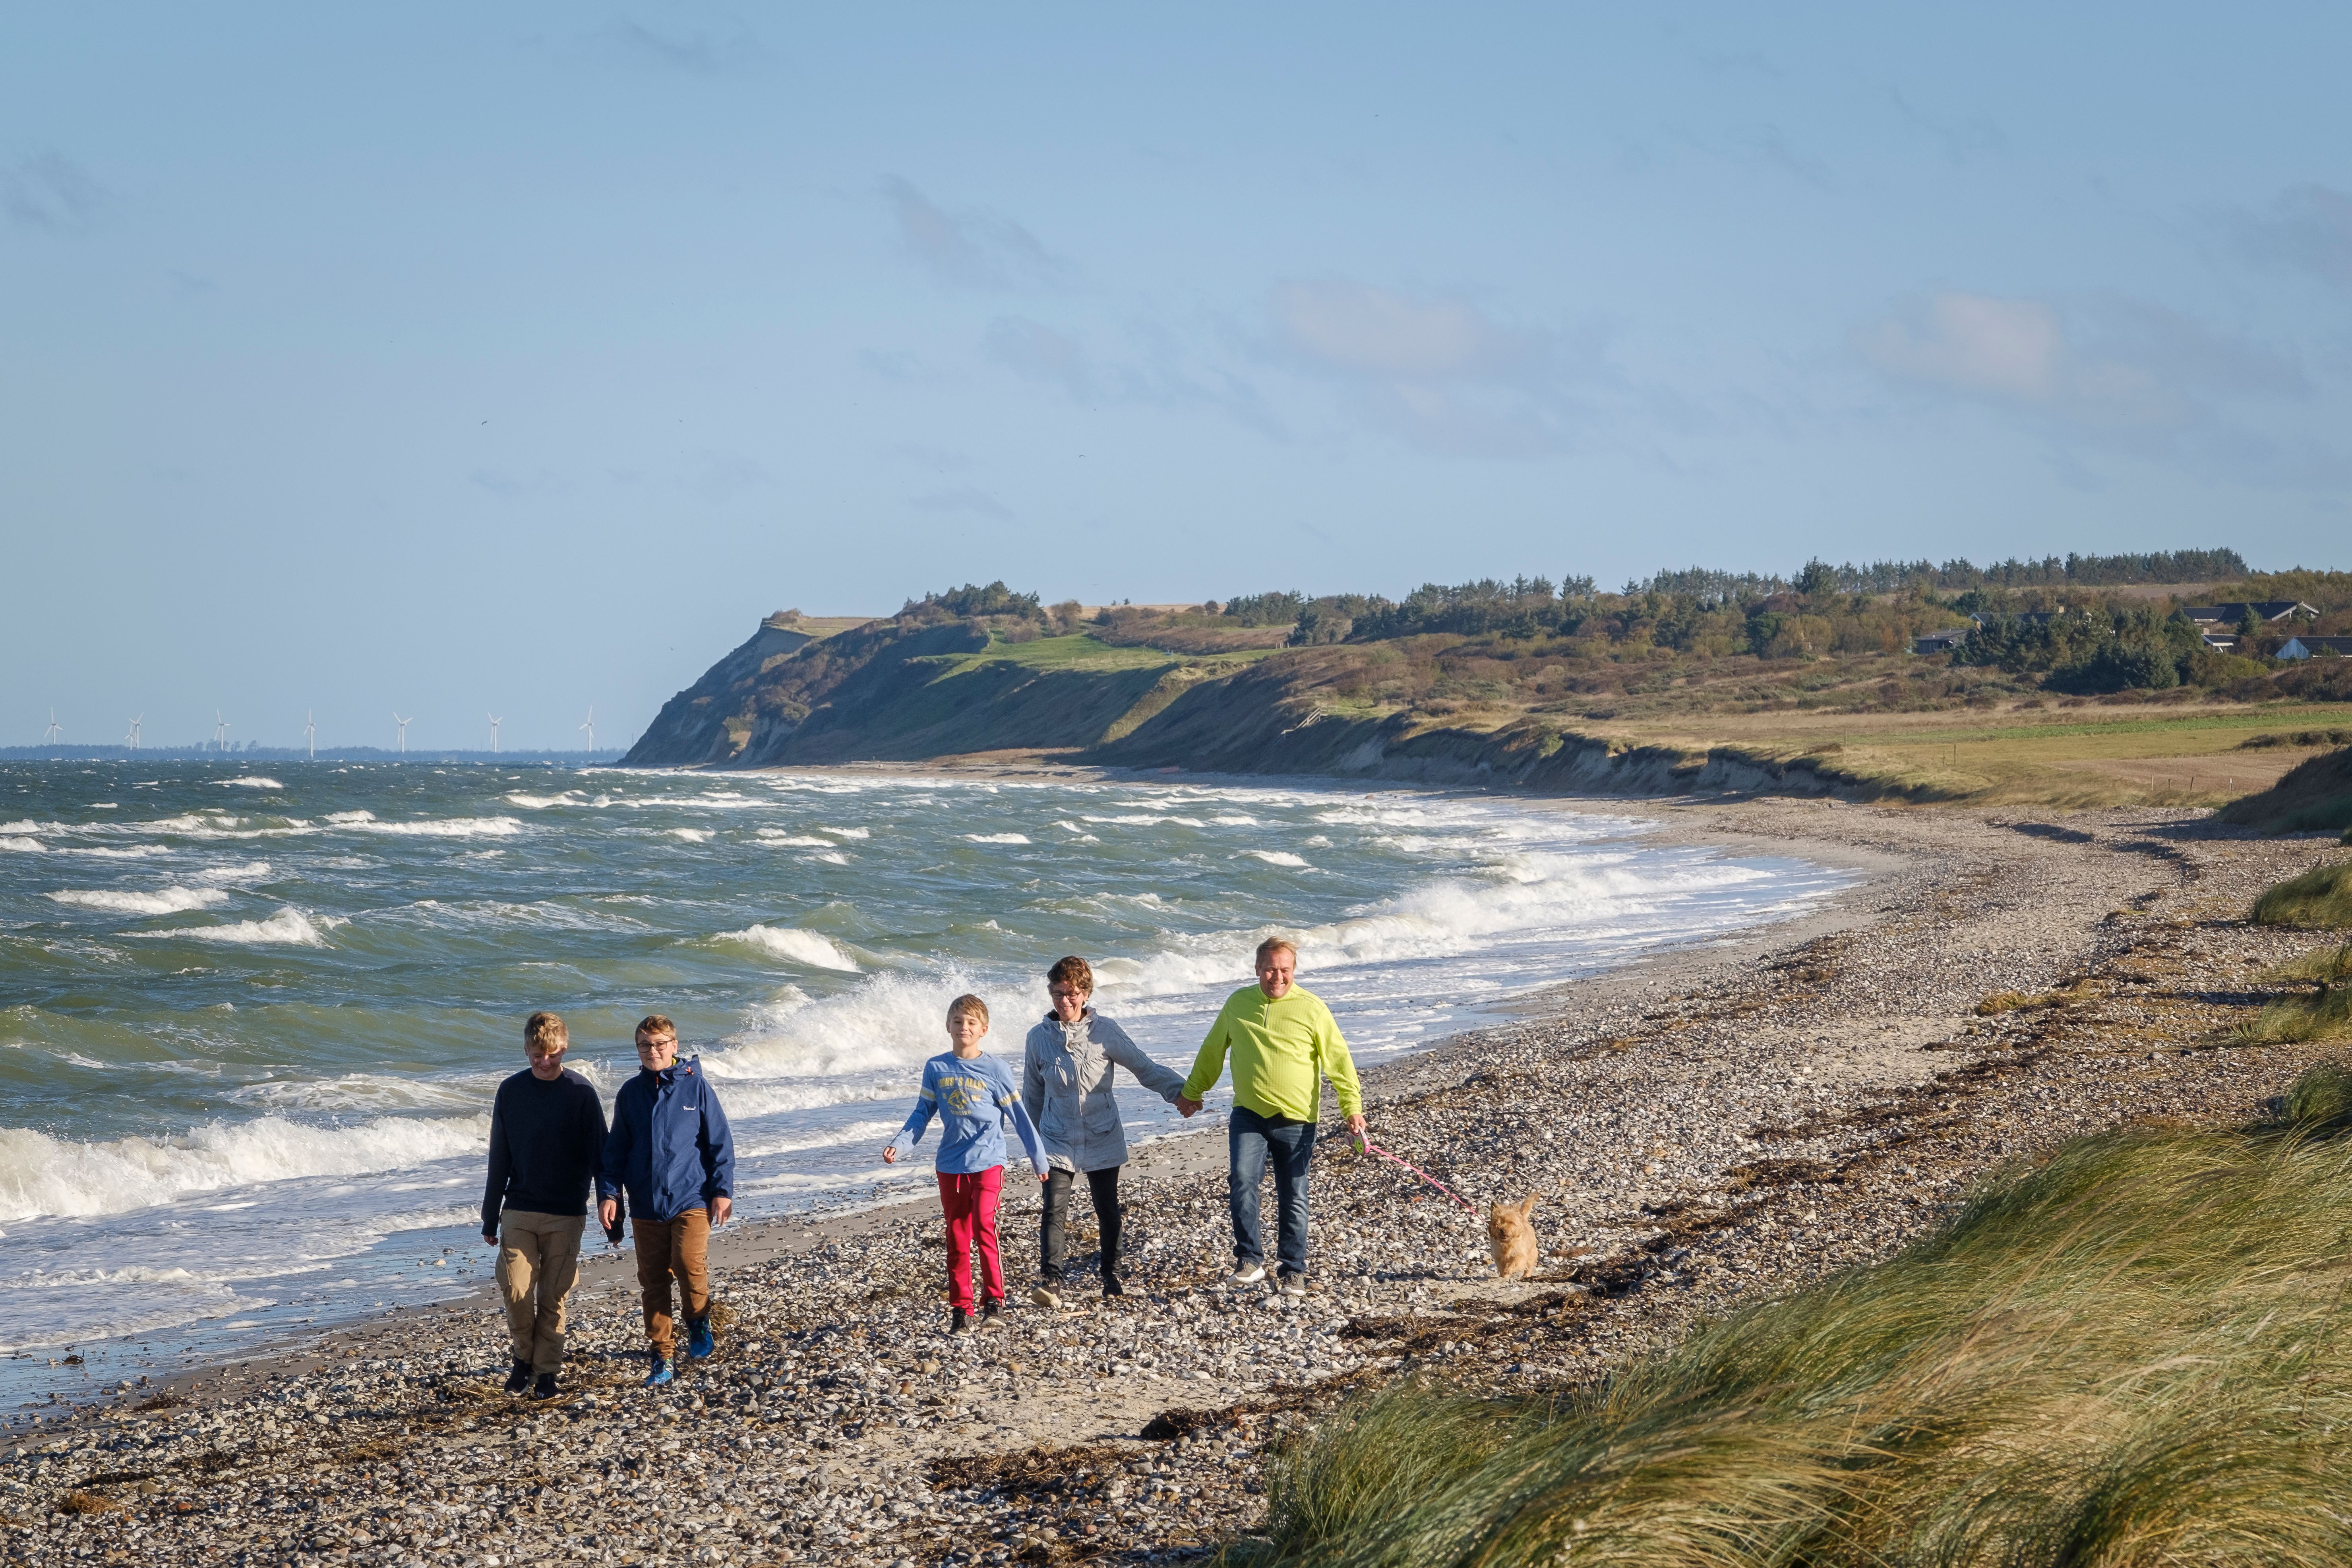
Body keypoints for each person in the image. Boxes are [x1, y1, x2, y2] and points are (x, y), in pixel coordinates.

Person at [1177, 937, 1365, 1297]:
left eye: (1284, 970)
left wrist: (1351, 1109)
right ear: (1257, 969)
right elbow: (1212, 1051)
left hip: (1296, 1119)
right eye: (1269, 969)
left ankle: (1293, 1270)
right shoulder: (1238, 1004)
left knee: (1293, 1193)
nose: (1276, 977)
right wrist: (1193, 1092)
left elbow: (1339, 1062)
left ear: (1293, 970)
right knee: (1243, 1181)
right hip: (1249, 1114)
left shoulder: (1312, 1008)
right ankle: (1250, 1261)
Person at [1021, 954, 1190, 1308]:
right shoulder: (1038, 1039)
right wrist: (1033, 1145)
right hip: (1056, 1136)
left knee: (1107, 1208)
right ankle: (1052, 1280)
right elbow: (1032, 1094)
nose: (1063, 1001)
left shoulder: (1105, 1032)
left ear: (1084, 993)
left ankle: (1110, 1274)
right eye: (1056, 994)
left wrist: (1181, 1093)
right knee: (1054, 1209)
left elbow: (1144, 1067)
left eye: (1070, 993)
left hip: (1102, 1133)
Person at [883, 994, 1048, 1336]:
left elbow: (1018, 1117)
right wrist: (899, 1145)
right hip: (950, 1165)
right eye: (958, 1021)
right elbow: (921, 1114)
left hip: (989, 1162)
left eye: (971, 1022)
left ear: (983, 1030)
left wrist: (1038, 1159)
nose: (964, 1027)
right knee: (957, 1237)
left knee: (984, 1227)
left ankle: (994, 1303)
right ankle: (961, 1310)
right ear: (948, 1026)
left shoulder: (995, 1069)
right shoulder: (936, 1067)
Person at [598, 1014, 735, 1387]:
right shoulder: (630, 1093)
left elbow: (720, 1144)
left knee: (688, 1262)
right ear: (638, 1050)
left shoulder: (697, 1089)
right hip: (645, 1204)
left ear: (675, 1046)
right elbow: (615, 1153)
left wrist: (722, 1191)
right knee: (653, 1281)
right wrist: (610, 1196)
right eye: (645, 1045)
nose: (653, 1051)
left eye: (660, 1044)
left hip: (692, 1197)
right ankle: (662, 1356)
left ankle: (697, 1321)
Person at [480, 1010, 609, 1398]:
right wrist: (490, 1216)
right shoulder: (510, 1091)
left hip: (566, 1213)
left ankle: (547, 1371)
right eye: (537, 1054)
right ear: (526, 1050)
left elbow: (600, 1157)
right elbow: (498, 1157)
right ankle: (523, 1360)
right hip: (519, 1208)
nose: (544, 1061)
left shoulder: (581, 1093)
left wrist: (609, 1204)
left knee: (552, 1296)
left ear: (564, 1049)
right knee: (517, 1289)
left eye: (552, 1054)